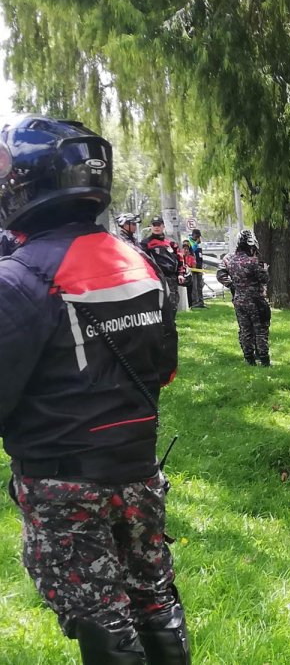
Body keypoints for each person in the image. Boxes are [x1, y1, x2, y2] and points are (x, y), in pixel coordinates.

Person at [0, 115, 190, 663]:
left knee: (99, 614)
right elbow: (165, 369)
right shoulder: (141, 261)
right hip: (139, 469)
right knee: (154, 596)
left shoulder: (17, 279)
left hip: (63, 481)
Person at [222, 230, 271, 366]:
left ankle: (249, 358)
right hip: (255, 301)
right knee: (260, 330)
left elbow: (223, 275)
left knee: (245, 330)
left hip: (239, 300)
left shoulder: (230, 261)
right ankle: (264, 360)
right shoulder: (252, 262)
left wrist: (233, 286)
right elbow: (264, 279)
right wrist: (265, 269)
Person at [141, 215, 187, 309]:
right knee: (158, 305)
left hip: (171, 278)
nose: (156, 227)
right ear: (151, 227)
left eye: (158, 225)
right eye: (154, 225)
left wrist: (180, 274)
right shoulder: (145, 243)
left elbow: (180, 259)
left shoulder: (171, 243)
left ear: (163, 226)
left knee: (172, 305)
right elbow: (143, 261)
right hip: (156, 279)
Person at [183, 229, 206, 309]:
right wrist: (196, 243)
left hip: (199, 267)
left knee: (200, 286)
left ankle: (201, 302)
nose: (198, 238)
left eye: (199, 237)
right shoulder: (188, 242)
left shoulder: (198, 244)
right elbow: (190, 251)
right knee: (194, 287)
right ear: (193, 235)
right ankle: (194, 302)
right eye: (197, 236)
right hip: (192, 268)